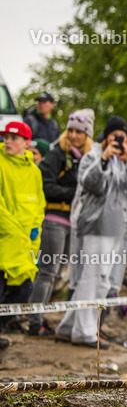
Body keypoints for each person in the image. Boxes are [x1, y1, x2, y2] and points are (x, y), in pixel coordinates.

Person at [55, 116, 127, 348]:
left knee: (102, 279)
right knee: (93, 278)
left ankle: (69, 326)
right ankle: (86, 331)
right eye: (114, 136)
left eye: (123, 137)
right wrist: (105, 158)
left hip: (119, 231)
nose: (118, 141)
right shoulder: (94, 155)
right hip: (96, 227)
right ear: (106, 136)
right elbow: (89, 183)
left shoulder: (125, 161)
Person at [27, 110, 95, 336]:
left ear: (87, 135)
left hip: (73, 223)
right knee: (47, 271)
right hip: (53, 219)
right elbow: (45, 186)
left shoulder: (86, 158)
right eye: (71, 131)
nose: (74, 135)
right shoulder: (57, 155)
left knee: (56, 274)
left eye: (79, 132)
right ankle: (34, 322)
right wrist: (74, 193)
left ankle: (38, 316)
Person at [0, 121, 45, 356]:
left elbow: (39, 205)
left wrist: (35, 229)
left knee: (23, 292)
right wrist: (14, 230)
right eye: (5, 137)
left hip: (26, 245)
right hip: (4, 241)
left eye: (14, 138)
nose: (8, 141)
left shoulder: (34, 170)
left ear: (27, 143)